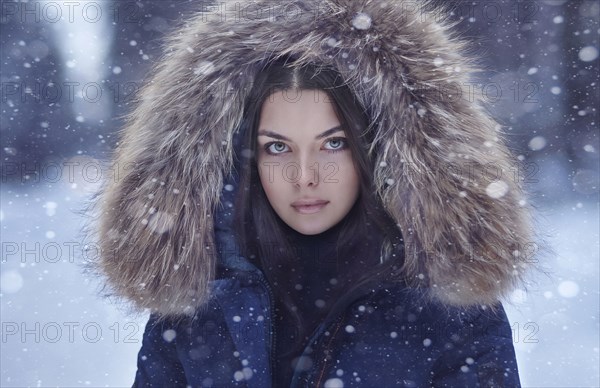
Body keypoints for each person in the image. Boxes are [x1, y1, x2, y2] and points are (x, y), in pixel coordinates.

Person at [92, 1, 536, 386]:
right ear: (242, 160)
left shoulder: (449, 309)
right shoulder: (196, 306)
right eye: (278, 147)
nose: (304, 176)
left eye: (334, 143)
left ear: (377, 151)